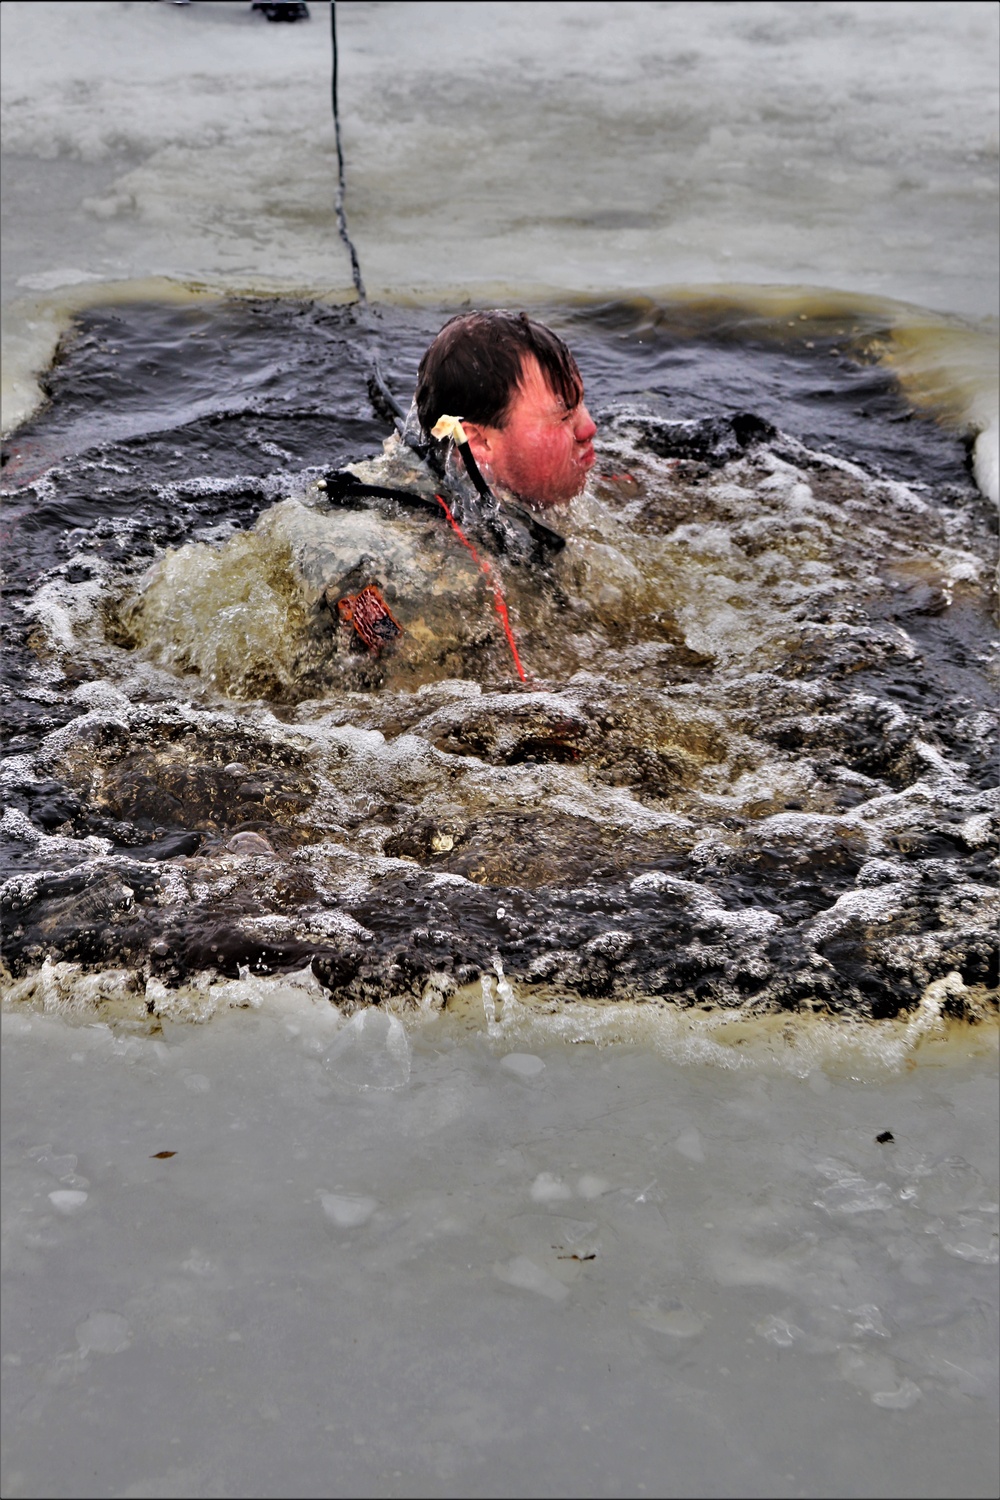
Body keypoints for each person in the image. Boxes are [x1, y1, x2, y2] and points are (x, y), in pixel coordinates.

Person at [413, 310, 597, 510]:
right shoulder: (419, 532)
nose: (589, 428)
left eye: (581, 403)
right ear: (479, 442)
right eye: (563, 416)